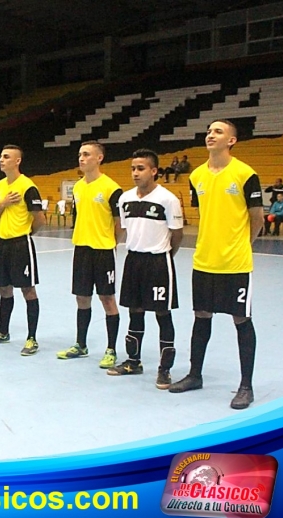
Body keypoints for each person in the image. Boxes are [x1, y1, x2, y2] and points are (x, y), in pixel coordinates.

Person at [169, 119, 264, 410]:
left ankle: (245, 386)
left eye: (218, 132)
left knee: (241, 320)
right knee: (201, 316)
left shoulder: (245, 174)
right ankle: (195, 374)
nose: (211, 135)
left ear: (231, 141)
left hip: (235, 263)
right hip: (204, 260)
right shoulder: (196, 176)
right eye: (209, 131)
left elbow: (257, 218)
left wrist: (242, 246)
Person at [108, 149, 183, 389]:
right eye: (133, 168)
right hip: (133, 261)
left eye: (141, 168)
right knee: (135, 310)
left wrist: (165, 256)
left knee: (162, 313)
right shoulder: (125, 199)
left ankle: (165, 369)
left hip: (158, 262)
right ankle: (133, 361)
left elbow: (177, 235)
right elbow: (125, 228)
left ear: (154, 171)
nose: (135, 173)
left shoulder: (168, 199)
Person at [56, 141, 123, 369]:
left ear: (99, 158)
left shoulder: (111, 188)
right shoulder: (78, 187)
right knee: (82, 298)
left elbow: (119, 224)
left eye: (86, 154)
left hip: (103, 251)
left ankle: (111, 349)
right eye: (80, 155)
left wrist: (111, 243)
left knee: (107, 299)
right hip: (81, 249)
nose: (81, 158)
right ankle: (81, 345)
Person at [0, 145, 44, 356]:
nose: (1, 160)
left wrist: (25, 234)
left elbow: (39, 219)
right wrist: (3, 204)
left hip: (20, 244)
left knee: (28, 290)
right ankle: (3, 331)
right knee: (4, 288)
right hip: (2, 243)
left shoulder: (27, 186)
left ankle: (32, 338)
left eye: (6, 157)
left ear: (17, 161)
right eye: (0, 156)